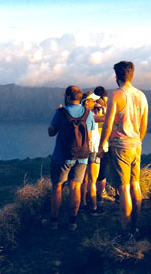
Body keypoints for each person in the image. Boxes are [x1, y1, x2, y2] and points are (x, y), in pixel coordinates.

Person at [98, 61, 149, 241]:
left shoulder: (116, 94)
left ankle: (126, 231)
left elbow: (108, 123)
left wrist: (101, 145)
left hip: (120, 147)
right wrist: (138, 141)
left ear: (116, 76)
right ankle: (134, 227)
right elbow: (144, 125)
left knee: (124, 188)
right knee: (136, 185)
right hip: (136, 145)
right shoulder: (142, 96)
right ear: (132, 75)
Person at [44, 85, 95, 231]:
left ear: (67, 97)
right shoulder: (87, 113)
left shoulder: (61, 112)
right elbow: (89, 135)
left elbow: (51, 132)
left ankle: (54, 222)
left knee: (57, 187)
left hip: (63, 157)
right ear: (80, 98)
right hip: (82, 157)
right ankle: (72, 222)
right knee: (75, 187)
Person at [79, 92, 103, 215]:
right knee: (93, 180)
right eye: (92, 101)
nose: (94, 103)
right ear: (86, 102)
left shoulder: (79, 114)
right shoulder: (89, 115)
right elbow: (104, 118)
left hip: (82, 149)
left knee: (84, 179)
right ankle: (93, 207)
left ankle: (82, 202)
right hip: (93, 148)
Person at [93, 86, 109, 203]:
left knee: (92, 175)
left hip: (93, 144)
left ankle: (93, 197)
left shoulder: (90, 108)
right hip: (105, 144)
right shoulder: (110, 108)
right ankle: (100, 196)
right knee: (101, 173)